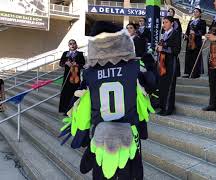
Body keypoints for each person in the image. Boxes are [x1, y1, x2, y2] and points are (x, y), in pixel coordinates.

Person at [59, 21, 155, 180]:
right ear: (121, 40)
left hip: (101, 136)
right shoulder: (134, 67)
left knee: (102, 174)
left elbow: (82, 105)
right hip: (130, 134)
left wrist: (81, 132)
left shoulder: (89, 73)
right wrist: (149, 61)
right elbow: (151, 85)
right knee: (131, 175)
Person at [157, 16, 181, 116]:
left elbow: (176, 50)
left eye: (166, 22)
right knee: (162, 85)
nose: (164, 24)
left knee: (169, 86)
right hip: (163, 63)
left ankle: (168, 108)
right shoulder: (163, 34)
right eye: (163, 22)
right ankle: (162, 106)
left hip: (171, 62)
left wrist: (163, 48)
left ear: (171, 23)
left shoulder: (175, 33)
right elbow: (160, 48)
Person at [58, 39, 85, 115]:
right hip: (67, 76)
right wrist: (66, 63)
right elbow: (60, 63)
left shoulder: (79, 54)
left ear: (76, 45)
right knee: (65, 93)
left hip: (75, 77)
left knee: (74, 93)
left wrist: (76, 64)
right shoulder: (65, 53)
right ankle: (65, 110)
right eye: (70, 44)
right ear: (68, 45)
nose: (72, 45)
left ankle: (73, 109)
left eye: (74, 43)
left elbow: (83, 64)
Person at [183, 8, 207, 78]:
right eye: (194, 12)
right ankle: (188, 72)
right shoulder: (190, 21)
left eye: (196, 12)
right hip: (189, 41)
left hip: (197, 41)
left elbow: (203, 32)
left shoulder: (202, 22)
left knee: (195, 56)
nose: (195, 13)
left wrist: (195, 33)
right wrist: (185, 35)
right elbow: (187, 31)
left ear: (200, 14)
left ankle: (196, 73)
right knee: (188, 57)